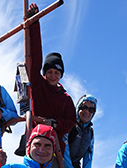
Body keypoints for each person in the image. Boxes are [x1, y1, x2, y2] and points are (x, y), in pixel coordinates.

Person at [15, 4, 76, 157]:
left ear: (61, 75)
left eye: (56, 72)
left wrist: (54, 123)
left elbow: (70, 122)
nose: (52, 76)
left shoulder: (66, 99)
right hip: (35, 142)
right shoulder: (38, 85)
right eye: (49, 72)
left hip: (55, 148)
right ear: (44, 73)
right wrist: (34, 23)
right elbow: (34, 58)